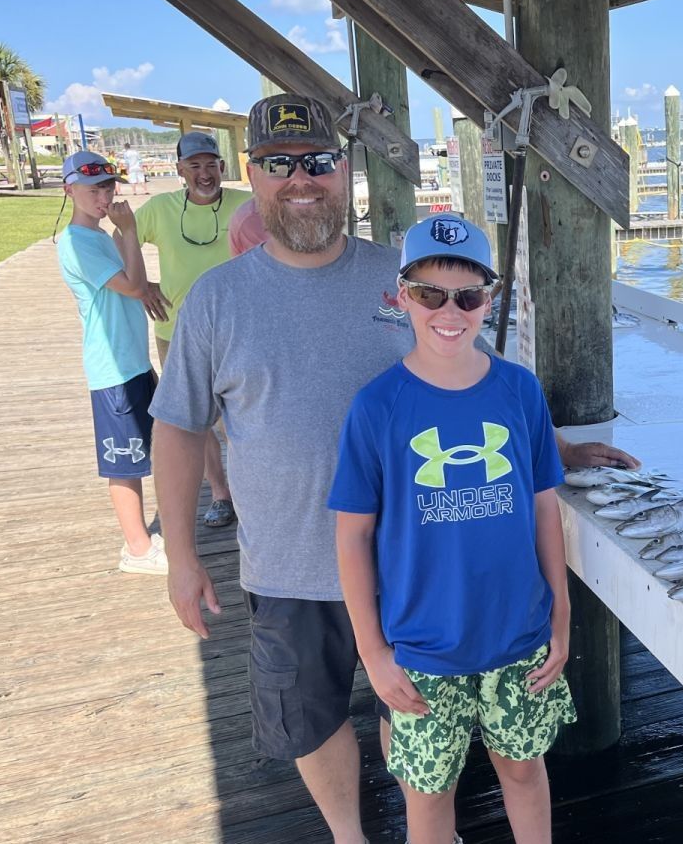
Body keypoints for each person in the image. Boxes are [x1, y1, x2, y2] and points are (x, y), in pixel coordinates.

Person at [151, 93, 636, 844]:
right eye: (280, 165)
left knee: (405, 713)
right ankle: (350, 834)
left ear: (344, 171)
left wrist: (559, 450)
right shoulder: (217, 299)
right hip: (285, 563)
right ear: (254, 174)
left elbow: (471, 372)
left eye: (317, 161)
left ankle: (425, 821)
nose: (301, 179)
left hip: (411, 564)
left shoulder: (399, 275)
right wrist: (181, 556)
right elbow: (179, 429)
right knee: (308, 721)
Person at [331, 218, 572, 844]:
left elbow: (545, 508)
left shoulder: (520, 391)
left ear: (489, 300)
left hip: (519, 638)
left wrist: (562, 619)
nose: (450, 311)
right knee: (428, 793)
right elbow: (353, 537)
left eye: (468, 296)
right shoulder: (376, 407)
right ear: (401, 295)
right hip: (422, 650)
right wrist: (373, 652)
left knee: (524, 772)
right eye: (430, 293)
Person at [54, 151, 171, 574]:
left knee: (147, 447)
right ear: (69, 191)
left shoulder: (100, 236)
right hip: (111, 369)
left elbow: (130, 281)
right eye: (92, 189)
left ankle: (144, 540)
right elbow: (131, 283)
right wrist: (131, 228)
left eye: (108, 187)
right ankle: (137, 549)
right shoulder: (76, 243)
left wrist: (146, 286)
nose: (103, 196)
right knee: (123, 462)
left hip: (132, 361)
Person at [134, 131, 250, 527]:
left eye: (211, 164)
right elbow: (122, 236)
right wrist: (140, 284)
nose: (205, 173)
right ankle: (220, 494)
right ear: (180, 169)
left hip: (240, 328)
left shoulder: (246, 204)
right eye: (195, 166)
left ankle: (254, 493)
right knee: (193, 420)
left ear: (222, 166)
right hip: (177, 331)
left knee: (244, 417)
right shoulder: (159, 208)